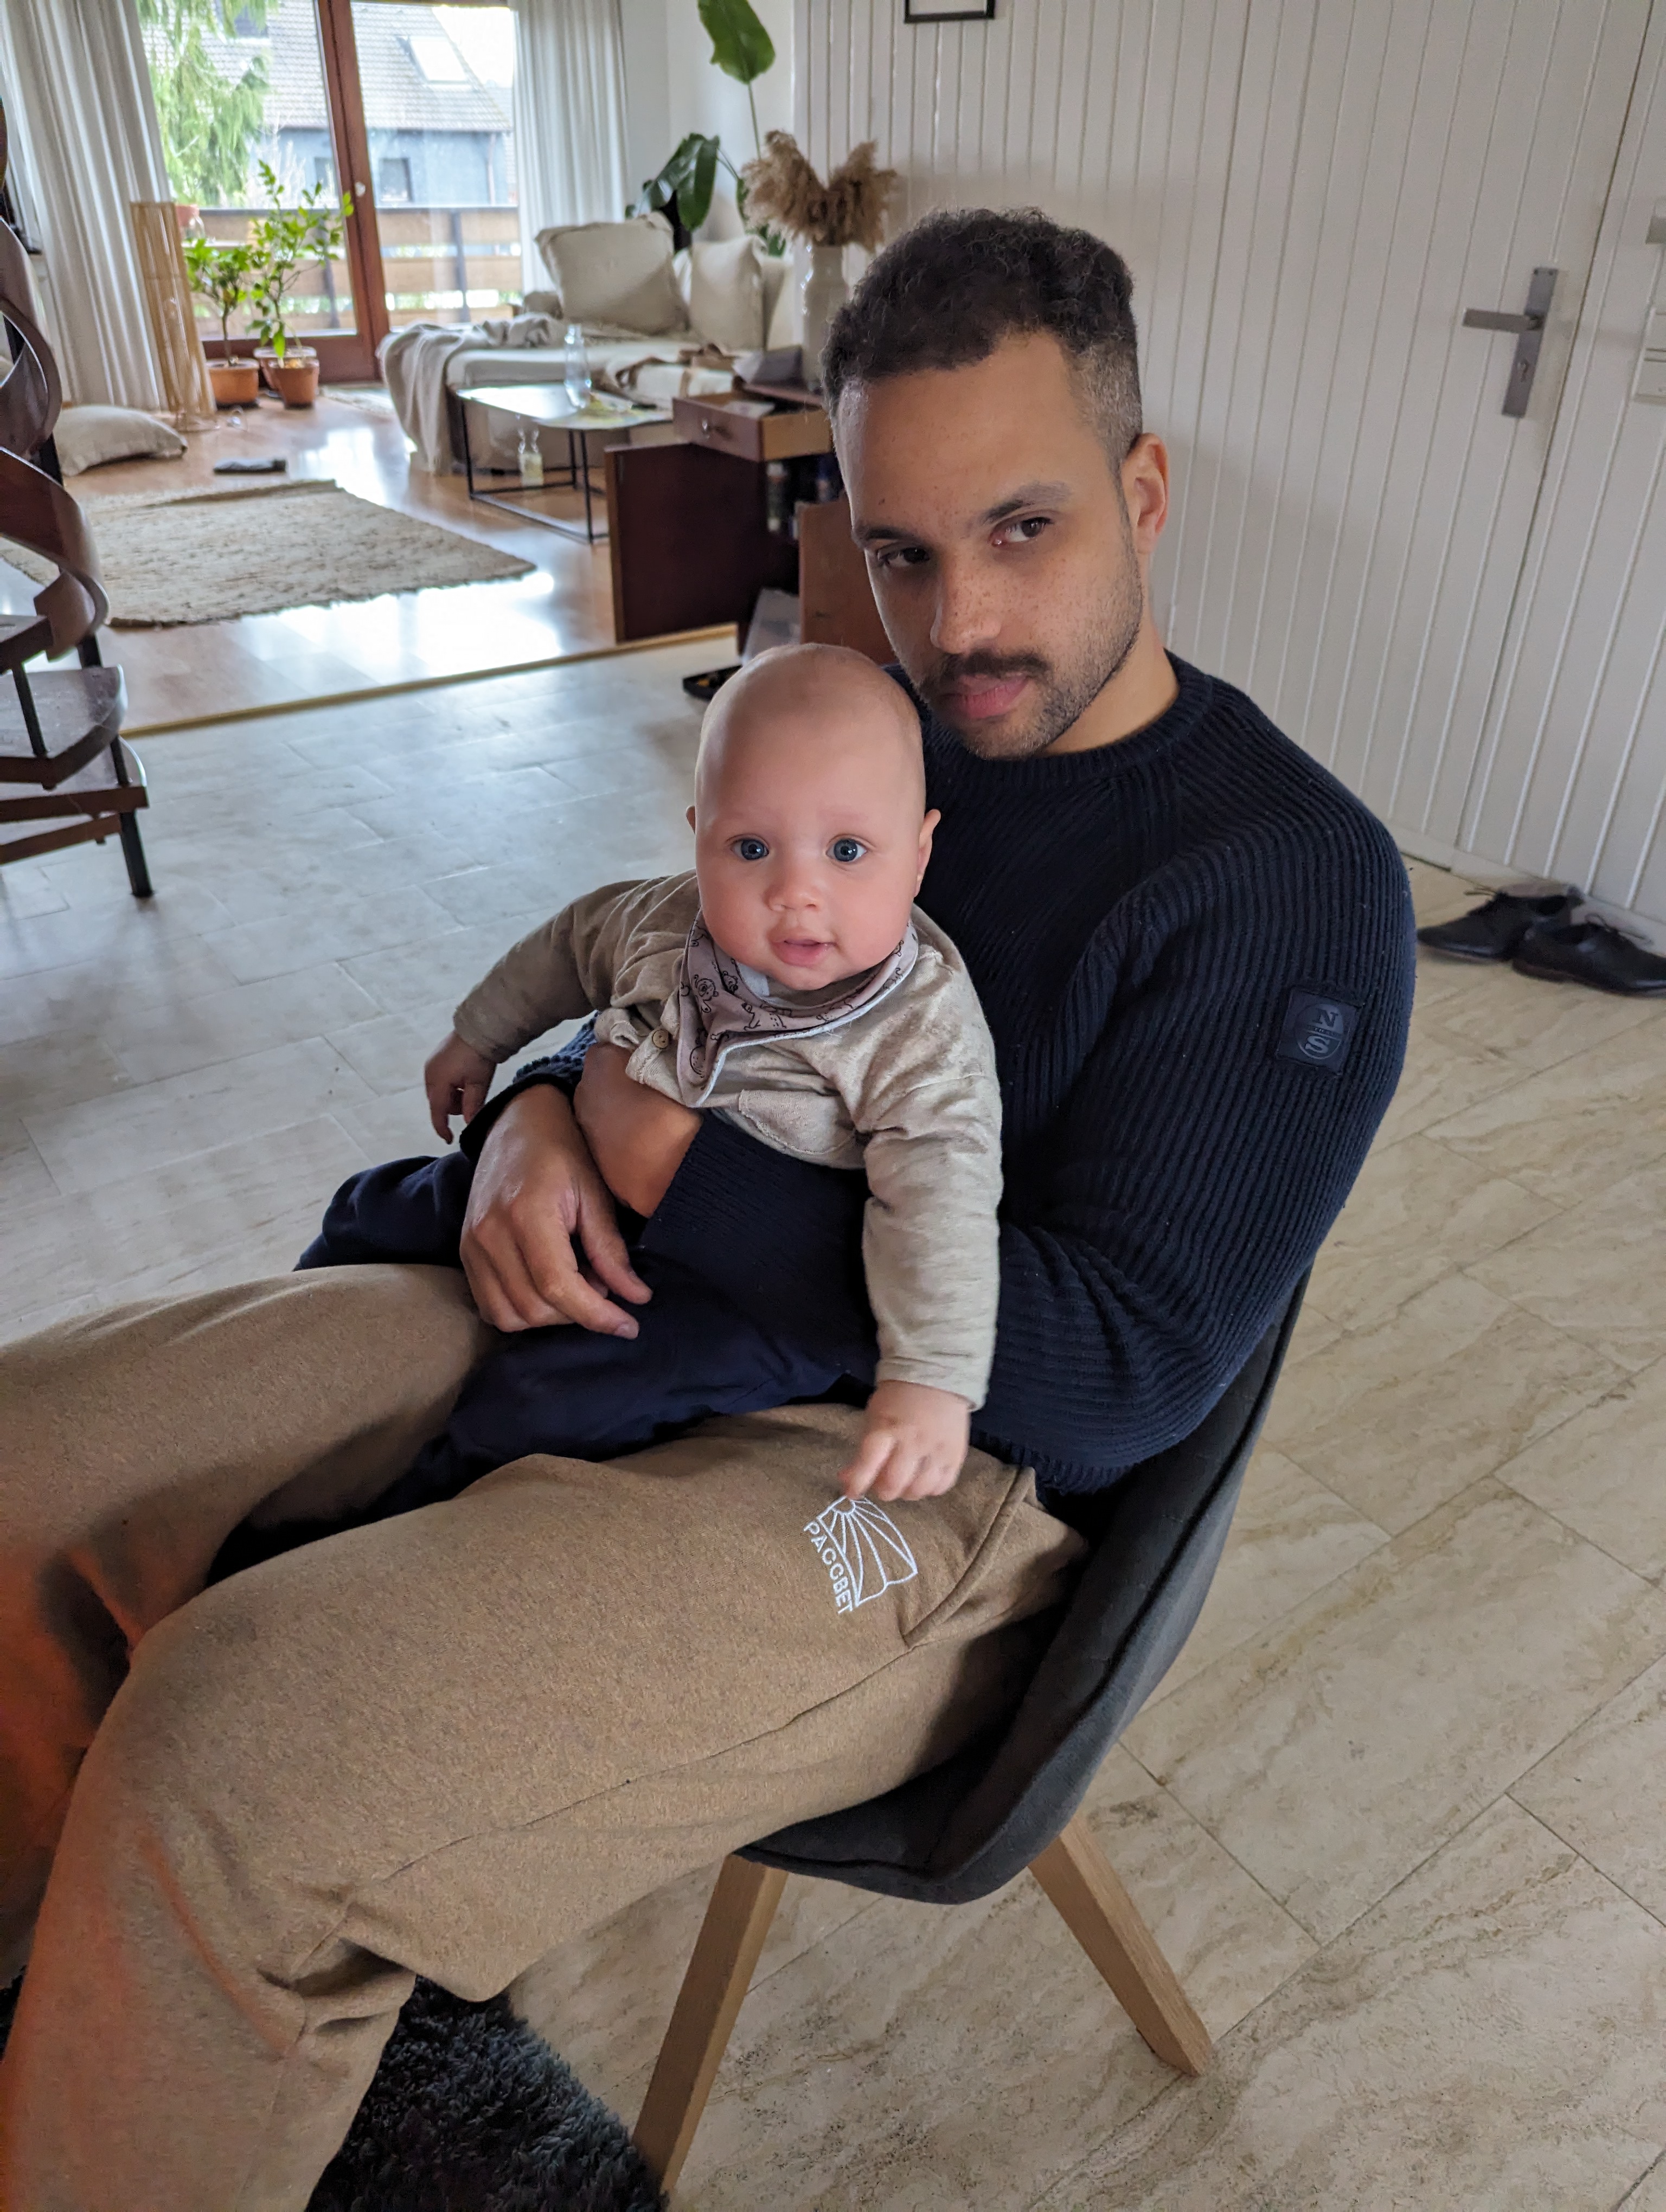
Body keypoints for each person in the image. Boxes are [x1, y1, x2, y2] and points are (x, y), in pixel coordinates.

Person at [0, 207, 1414, 2208]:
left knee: (232, 1764)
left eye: (1023, 529)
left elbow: (1118, 1380)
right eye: (903, 553)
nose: (959, 623)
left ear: (1145, 489)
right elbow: (668, 973)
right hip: (629, 1290)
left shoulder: (1292, 884)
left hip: (928, 1472)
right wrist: (534, 1118)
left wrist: (669, 1162)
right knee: (33, 1462)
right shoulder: (866, 741)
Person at [297, 642, 1002, 1519]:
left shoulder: (917, 1028)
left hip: (737, 1295)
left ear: (921, 852)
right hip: (584, 1174)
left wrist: (933, 1378)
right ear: (698, 833)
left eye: (848, 850)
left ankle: (380, 1516)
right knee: (374, 1207)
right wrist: (476, 1037)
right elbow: (567, 948)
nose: (797, 891)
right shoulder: (666, 919)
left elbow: (943, 1197)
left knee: (550, 1400)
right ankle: (298, 1352)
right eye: (751, 846)